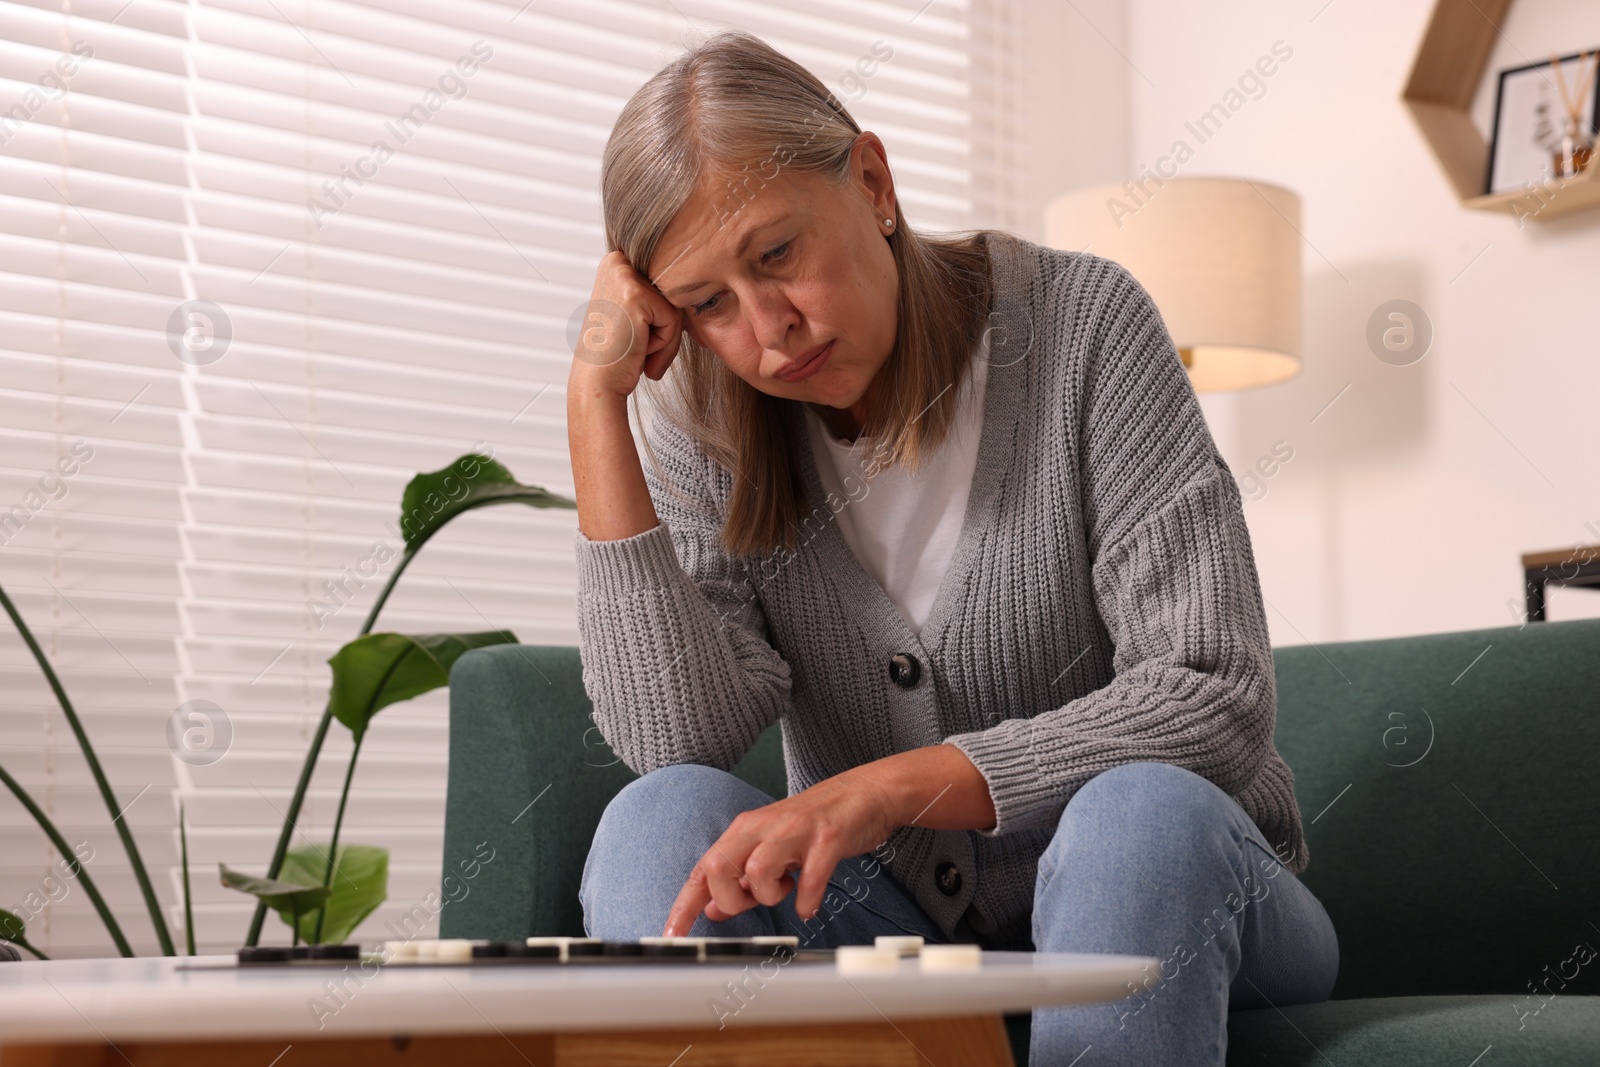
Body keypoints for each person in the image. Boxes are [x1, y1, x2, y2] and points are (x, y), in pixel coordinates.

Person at [567, 28, 1338, 1066]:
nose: (770, 328)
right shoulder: (711, 425)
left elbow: (1211, 692)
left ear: (873, 181)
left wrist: (892, 785)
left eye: (777, 254)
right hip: (900, 937)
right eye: (708, 304)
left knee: (1135, 818)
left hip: (1183, 891)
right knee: (655, 819)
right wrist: (595, 407)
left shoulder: (1082, 327)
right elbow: (678, 736)